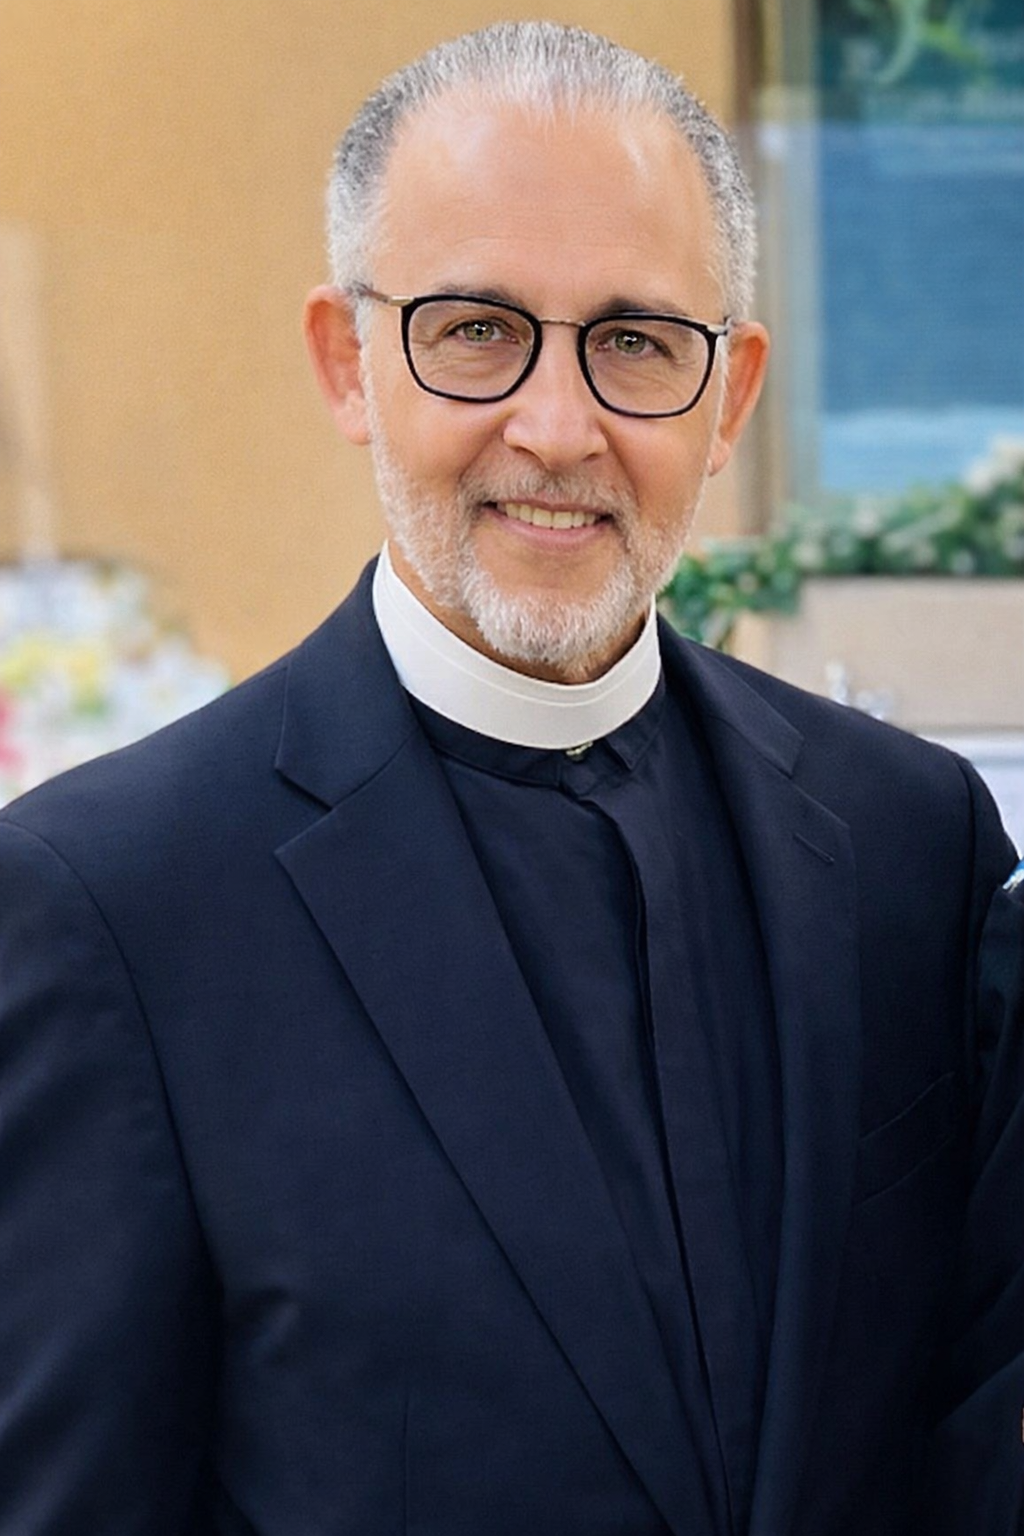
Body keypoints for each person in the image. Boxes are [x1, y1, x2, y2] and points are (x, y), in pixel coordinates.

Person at [0, 20, 1020, 1536]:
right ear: (349, 363)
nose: (558, 429)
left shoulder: (906, 847)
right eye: (475, 328)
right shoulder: (112, 908)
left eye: (635, 341)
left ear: (730, 394)